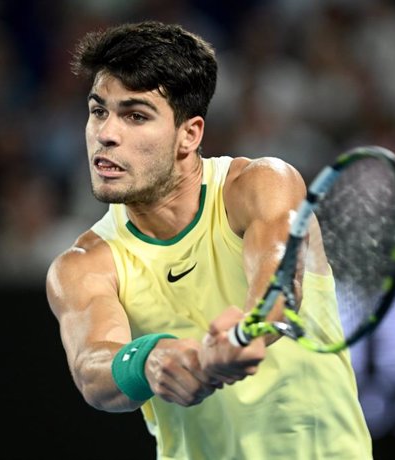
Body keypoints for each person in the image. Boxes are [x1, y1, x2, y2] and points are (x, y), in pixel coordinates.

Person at [46, 20, 372, 459]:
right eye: (98, 110)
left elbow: (277, 292)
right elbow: (92, 370)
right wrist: (150, 360)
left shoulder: (260, 185)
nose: (106, 133)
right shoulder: (83, 264)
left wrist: (243, 336)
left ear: (189, 134)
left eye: (136, 115)